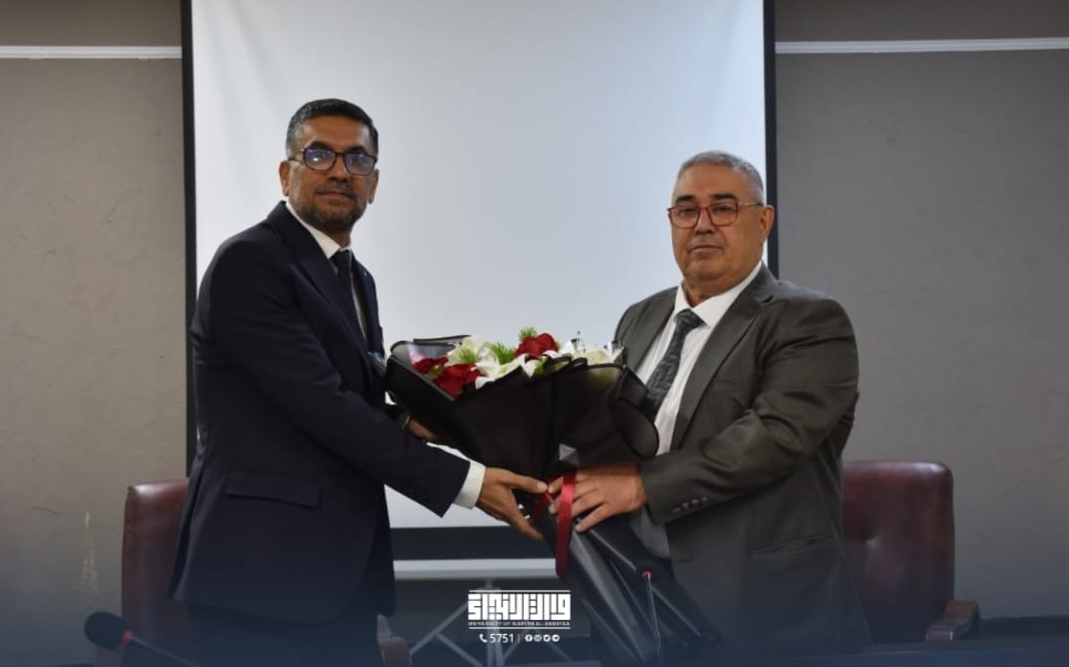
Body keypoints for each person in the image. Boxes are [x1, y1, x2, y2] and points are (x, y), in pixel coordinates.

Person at [169, 98, 545, 667]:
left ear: (375, 182)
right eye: (319, 155)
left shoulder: (354, 277)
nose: (341, 171)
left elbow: (352, 393)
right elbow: (323, 407)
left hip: (336, 576)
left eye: (358, 159)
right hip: (261, 575)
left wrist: (420, 420)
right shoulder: (251, 262)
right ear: (286, 173)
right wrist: (468, 483)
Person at [550, 150, 870, 655]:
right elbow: (612, 428)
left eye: (723, 208)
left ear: (763, 222)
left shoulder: (809, 319)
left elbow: (774, 436)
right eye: (686, 210)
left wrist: (642, 484)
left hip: (760, 605)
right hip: (638, 595)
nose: (701, 225)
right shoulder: (640, 316)